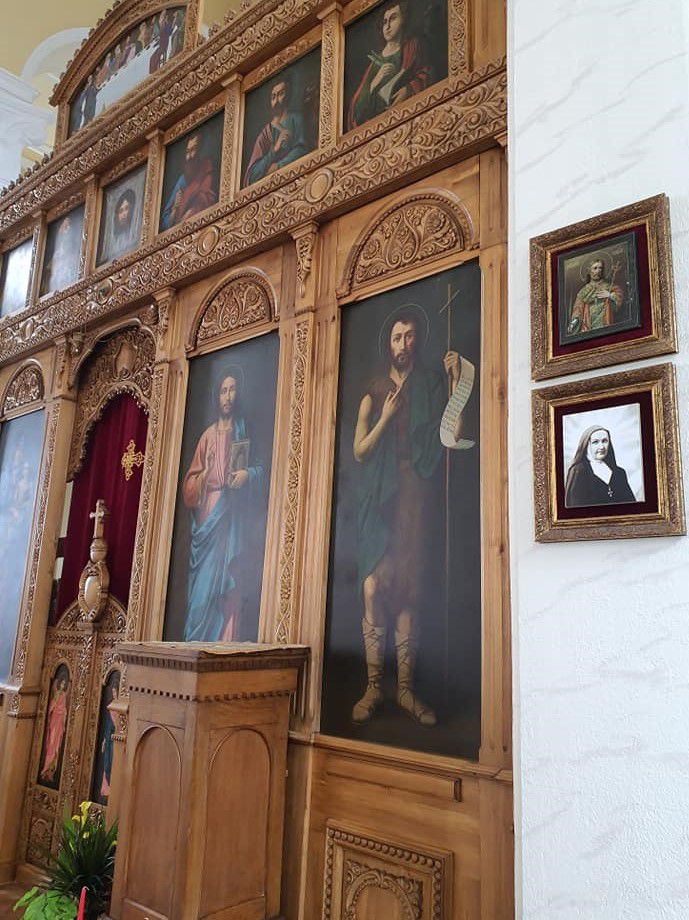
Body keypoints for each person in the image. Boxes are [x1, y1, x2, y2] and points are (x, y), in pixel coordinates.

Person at [351, 308, 469, 726]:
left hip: (415, 496)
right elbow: (359, 451)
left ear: (418, 340)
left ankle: (404, 690)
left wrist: (456, 382)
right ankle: (373, 686)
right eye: (398, 337)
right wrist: (385, 417)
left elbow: (451, 435)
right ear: (389, 343)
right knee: (372, 586)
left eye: (410, 336)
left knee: (410, 592)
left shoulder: (432, 383)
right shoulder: (374, 391)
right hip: (378, 498)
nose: (404, 344)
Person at [181, 369, 264, 641]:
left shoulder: (245, 431)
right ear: (217, 397)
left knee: (231, 584)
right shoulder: (207, 436)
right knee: (202, 594)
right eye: (223, 391)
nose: (227, 396)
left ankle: (225, 643)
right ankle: (196, 641)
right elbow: (188, 487)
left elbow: (266, 470)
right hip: (209, 515)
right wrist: (205, 476)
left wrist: (247, 475)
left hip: (234, 518)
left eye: (232, 390)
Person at [348, 0, 431, 130]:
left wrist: (408, 89)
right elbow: (356, 112)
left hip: (411, 119)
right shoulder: (373, 64)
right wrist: (374, 83)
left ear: (403, 20)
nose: (387, 26)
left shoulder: (412, 47)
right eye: (384, 22)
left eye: (393, 19)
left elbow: (428, 74)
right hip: (376, 128)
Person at [243, 77, 308, 186]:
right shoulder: (265, 133)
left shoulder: (296, 119)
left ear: (288, 95)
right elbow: (252, 175)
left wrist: (279, 166)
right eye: (273, 96)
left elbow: (302, 149)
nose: (276, 100)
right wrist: (274, 150)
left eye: (281, 94)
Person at [564, 426, 636, 508]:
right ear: (587, 445)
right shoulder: (578, 471)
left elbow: (632, 506)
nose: (601, 447)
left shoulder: (619, 473)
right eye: (595, 442)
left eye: (604, 441)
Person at [160, 131, 217, 230]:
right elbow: (165, 223)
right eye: (187, 151)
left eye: (193, 150)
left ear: (200, 151)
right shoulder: (182, 180)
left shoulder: (207, 170)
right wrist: (175, 209)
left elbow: (208, 200)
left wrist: (190, 213)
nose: (189, 156)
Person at [568, 257, 624, 335]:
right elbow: (578, 307)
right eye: (595, 268)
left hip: (604, 320)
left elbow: (619, 295)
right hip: (588, 322)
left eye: (600, 268)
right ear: (589, 271)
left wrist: (610, 295)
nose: (598, 271)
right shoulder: (584, 290)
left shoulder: (608, 286)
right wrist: (574, 321)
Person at [39, 674, 69, 783]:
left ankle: (52, 768)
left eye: (64, 684)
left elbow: (64, 709)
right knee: (51, 743)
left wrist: (64, 722)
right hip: (54, 720)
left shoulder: (64, 695)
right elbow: (52, 706)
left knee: (56, 745)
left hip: (59, 721)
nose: (62, 685)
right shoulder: (56, 694)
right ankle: (46, 768)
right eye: (61, 683)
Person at [41, 213, 79, 294]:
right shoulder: (56, 256)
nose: (66, 234)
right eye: (64, 231)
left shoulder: (76, 255)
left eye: (68, 231)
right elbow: (48, 274)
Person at [102, 188, 139, 263]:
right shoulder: (114, 243)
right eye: (121, 211)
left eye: (127, 208)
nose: (124, 214)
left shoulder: (135, 235)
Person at [98, 680, 118, 801]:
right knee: (107, 763)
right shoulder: (111, 707)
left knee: (112, 763)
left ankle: (112, 789)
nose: (114, 694)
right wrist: (105, 740)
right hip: (109, 740)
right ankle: (106, 789)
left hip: (116, 741)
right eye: (113, 692)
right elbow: (107, 725)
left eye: (116, 691)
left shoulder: (120, 707)